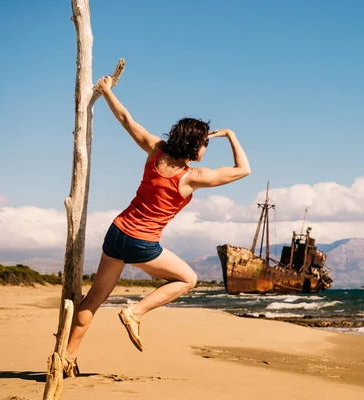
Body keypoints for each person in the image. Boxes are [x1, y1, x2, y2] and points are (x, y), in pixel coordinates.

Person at [62, 76, 251, 377]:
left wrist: (106, 90)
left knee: (94, 299)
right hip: (141, 243)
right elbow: (244, 170)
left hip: (117, 233)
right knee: (188, 279)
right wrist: (230, 135)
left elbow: (126, 119)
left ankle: (66, 360)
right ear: (195, 144)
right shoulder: (193, 177)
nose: (206, 147)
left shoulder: (155, 150)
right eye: (204, 142)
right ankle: (135, 312)